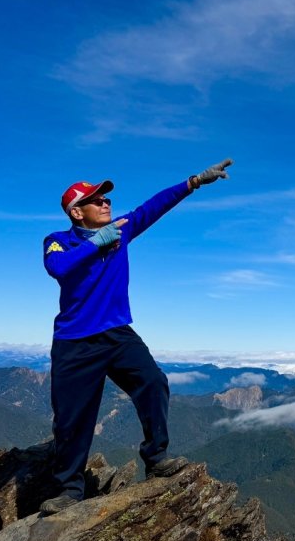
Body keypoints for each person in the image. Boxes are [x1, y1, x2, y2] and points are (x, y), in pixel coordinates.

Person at [39, 159, 233, 515]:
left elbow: (152, 207)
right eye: (97, 200)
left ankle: (156, 457)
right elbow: (58, 269)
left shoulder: (121, 229)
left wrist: (192, 182)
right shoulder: (58, 241)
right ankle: (69, 489)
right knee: (71, 418)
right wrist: (97, 242)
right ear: (77, 213)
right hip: (75, 342)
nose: (106, 203)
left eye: (106, 198)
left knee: (153, 382)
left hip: (117, 334)